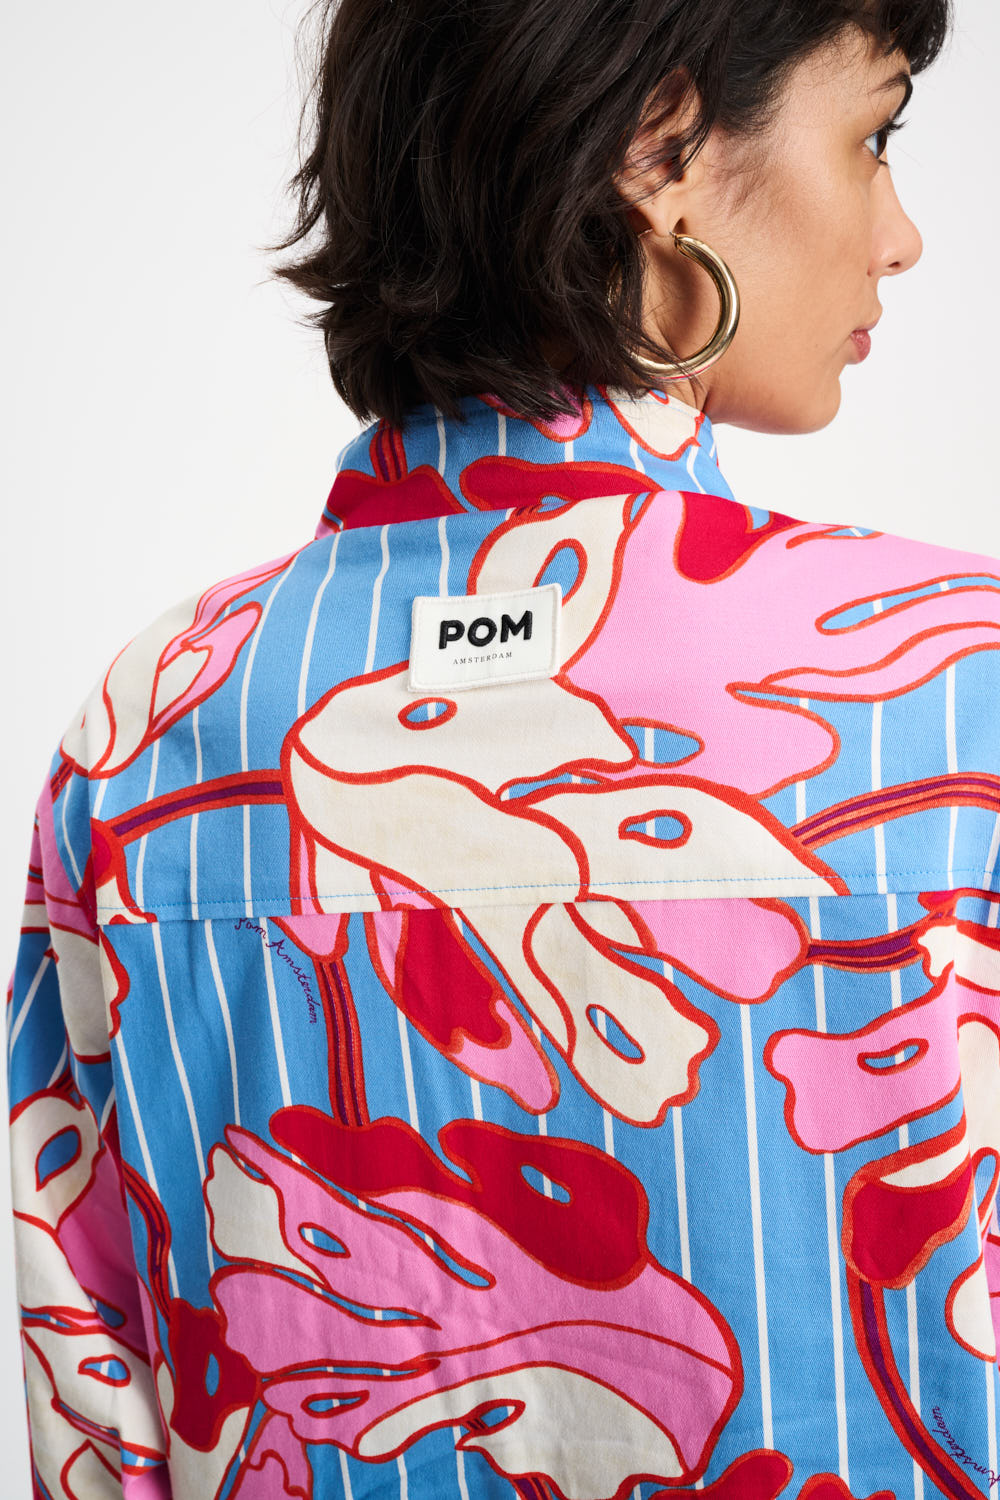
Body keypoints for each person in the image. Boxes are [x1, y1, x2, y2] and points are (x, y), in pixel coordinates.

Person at [15, 0, 1000, 1496]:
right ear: (661, 148)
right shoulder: (960, 689)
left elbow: (102, 1418)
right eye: (873, 138)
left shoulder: (150, 727)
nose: (901, 235)